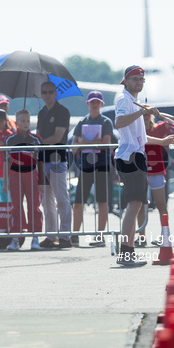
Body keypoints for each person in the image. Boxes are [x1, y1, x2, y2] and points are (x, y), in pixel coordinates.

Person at [114, 65, 174, 265]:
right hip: (130, 157)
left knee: (137, 204)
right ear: (125, 81)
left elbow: (141, 136)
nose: (138, 83)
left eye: (141, 80)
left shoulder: (134, 101)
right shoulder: (125, 99)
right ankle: (125, 253)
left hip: (136, 156)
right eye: (134, 79)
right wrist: (142, 112)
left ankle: (129, 251)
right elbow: (119, 122)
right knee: (133, 205)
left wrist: (163, 141)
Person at [71, 91, 114, 246]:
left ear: (101, 104)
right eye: (92, 102)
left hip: (102, 165)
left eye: (97, 102)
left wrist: (85, 143)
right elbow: (74, 145)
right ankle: (74, 235)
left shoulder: (106, 121)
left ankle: (99, 235)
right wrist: (90, 143)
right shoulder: (81, 122)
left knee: (102, 201)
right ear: (87, 104)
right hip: (85, 166)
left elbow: (105, 142)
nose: (94, 105)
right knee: (78, 202)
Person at [37, 81, 72, 249]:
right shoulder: (41, 112)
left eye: (50, 92)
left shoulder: (63, 111)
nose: (47, 95)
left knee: (61, 199)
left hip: (57, 160)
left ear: (56, 93)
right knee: (46, 201)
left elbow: (58, 137)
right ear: (41, 94)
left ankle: (65, 236)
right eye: (44, 92)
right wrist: (36, 143)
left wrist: (38, 142)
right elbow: (38, 135)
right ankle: (51, 236)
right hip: (43, 160)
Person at [4, 110, 43, 251]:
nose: (25, 123)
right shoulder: (10, 140)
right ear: (16, 122)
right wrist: (5, 181)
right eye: (22, 121)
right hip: (15, 175)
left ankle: (35, 238)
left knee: (34, 206)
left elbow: (41, 162)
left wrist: (42, 182)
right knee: (16, 207)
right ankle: (15, 239)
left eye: (27, 120)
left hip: (32, 174)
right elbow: (5, 162)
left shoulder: (36, 139)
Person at [143, 111, 171, 243]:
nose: (146, 117)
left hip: (157, 171)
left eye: (148, 114)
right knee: (140, 205)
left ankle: (164, 235)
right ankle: (141, 236)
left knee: (161, 205)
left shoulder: (158, 129)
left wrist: (159, 113)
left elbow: (171, 121)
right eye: (143, 114)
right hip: (140, 171)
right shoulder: (136, 130)